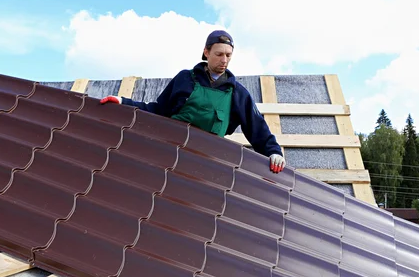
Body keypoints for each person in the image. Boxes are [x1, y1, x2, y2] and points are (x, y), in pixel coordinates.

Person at [99, 30, 286, 174]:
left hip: (207, 165)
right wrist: (123, 102)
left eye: (228, 55)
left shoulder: (237, 93)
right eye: (219, 54)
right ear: (206, 52)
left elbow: (257, 128)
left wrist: (273, 152)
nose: (224, 60)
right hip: (170, 156)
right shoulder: (185, 79)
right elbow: (158, 110)